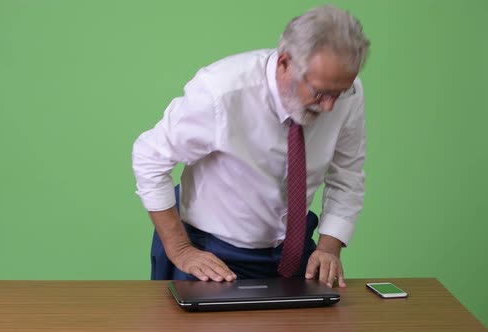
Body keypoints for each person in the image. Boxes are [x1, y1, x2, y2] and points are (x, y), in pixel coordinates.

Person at [132, 4, 370, 288]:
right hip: (214, 253)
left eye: (338, 94)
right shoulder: (221, 91)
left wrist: (329, 247)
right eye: (320, 92)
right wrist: (180, 250)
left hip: (296, 253)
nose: (330, 107)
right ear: (284, 63)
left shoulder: (349, 92)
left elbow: (347, 174)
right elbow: (149, 157)